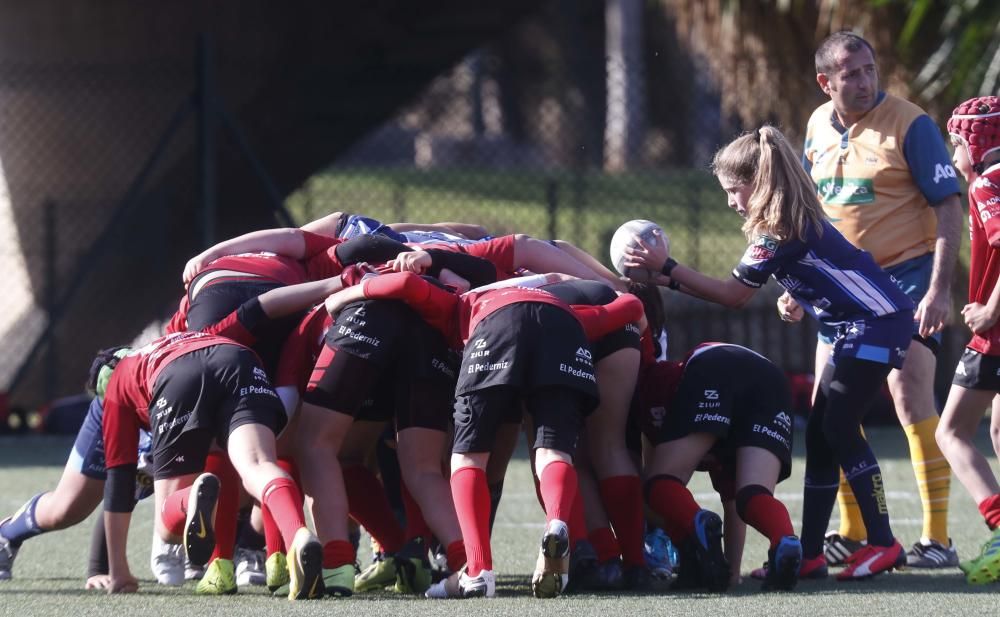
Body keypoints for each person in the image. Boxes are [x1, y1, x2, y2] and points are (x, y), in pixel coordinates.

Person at [624, 124, 914, 580]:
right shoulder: (785, 223)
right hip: (853, 325)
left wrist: (667, 268)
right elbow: (825, 267)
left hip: (878, 322)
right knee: (819, 436)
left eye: (733, 190)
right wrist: (797, 295)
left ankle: (883, 542)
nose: (729, 201)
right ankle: (813, 555)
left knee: (837, 426)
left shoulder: (778, 228)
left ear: (759, 183)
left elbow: (732, 294)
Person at [323, 270, 644, 598]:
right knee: (553, 452)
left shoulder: (461, 302)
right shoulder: (559, 305)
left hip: (494, 326)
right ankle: (557, 523)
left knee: (467, 458)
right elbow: (629, 305)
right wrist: (639, 319)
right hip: (564, 328)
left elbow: (406, 283)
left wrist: (343, 296)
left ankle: (477, 572)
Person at [793, 30, 964, 568]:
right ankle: (851, 529)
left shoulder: (911, 125)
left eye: (869, 69)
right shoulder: (817, 126)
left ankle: (936, 538)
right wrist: (798, 287)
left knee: (911, 396)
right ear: (826, 83)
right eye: (851, 74)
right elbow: (806, 208)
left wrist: (939, 289)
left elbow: (949, 208)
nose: (865, 81)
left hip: (904, 284)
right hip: (841, 291)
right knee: (831, 405)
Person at [638, 343, 800, 592]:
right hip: (772, 379)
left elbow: (655, 484)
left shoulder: (652, 385)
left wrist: (687, 527)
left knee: (658, 483)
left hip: (715, 364)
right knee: (752, 495)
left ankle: (696, 529)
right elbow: (734, 501)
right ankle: (784, 538)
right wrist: (731, 574)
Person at [935, 96, 1000, 583]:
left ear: (974, 144)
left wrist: (990, 310)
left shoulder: (986, 184)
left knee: (951, 432)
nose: (952, 155)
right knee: (998, 433)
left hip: (994, 337)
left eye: (955, 143)